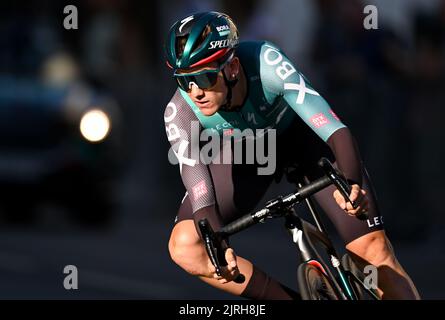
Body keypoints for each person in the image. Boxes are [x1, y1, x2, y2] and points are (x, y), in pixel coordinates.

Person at [163, 11, 420, 300]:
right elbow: (202, 198)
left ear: (233, 67)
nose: (195, 91)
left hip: (301, 138)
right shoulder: (179, 112)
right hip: (248, 153)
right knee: (186, 246)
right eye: (185, 81)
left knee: (374, 252)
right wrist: (219, 244)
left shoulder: (266, 62)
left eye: (204, 76)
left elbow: (336, 131)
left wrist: (351, 184)